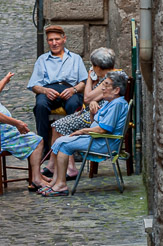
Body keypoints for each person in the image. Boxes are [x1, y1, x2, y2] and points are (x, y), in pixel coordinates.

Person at [40, 71, 130, 196]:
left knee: (63, 144)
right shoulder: (110, 102)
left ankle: (60, 185)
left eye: (106, 85)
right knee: (60, 141)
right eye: (103, 84)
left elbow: (103, 129)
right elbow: (96, 123)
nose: (102, 88)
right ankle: (55, 182)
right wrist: (93, 111)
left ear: (116, 90)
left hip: (104, 142)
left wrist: (81, 131)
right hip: (98, 139)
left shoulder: (117, 104)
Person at [41, 47, 116, 185]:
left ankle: (69, 168)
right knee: (57, 125)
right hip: (94, 114)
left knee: (58, 126)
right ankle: (52, 165)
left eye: (93, 66)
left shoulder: (109, 79)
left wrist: (88, 78)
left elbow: (86, 98)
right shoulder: (110, 77)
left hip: (95, 116)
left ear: (98, 67)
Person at [0, 63, 47, 192]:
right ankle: (36, 178)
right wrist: (16, 123)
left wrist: (5, 80)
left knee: (29, 138)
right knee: (37, 141)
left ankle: (37, 174)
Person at [28, 25, 87, 154]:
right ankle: (45, 148)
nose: (54, 43)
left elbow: (84, 82)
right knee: (40, 105)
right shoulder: (42, 60)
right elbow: (34, 85)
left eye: (57, 39)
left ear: (64, 39)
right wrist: (45, 91)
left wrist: (74, 90)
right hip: (49, 90)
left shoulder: (75, 58)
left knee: (74, 105)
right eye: (50, 40)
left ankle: (73, 148)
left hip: (69, 89)